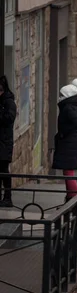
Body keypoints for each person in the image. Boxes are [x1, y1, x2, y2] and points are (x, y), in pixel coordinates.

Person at [52, 78, 77, 202]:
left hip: (69, 143)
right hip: (69, 143)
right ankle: (70, 196)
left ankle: (73, 197)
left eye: (61, 95)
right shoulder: (71, 107)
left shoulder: (68, 108)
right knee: (67, 172)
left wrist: (64, 133)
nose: (59, 97)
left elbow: (75, 122)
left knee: (68, 172)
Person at [0, 76, 16, 208]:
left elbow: (9, 118)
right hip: (2, 141)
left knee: (4, 169)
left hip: (4, 142)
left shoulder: (9, 102)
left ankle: (8, 197)